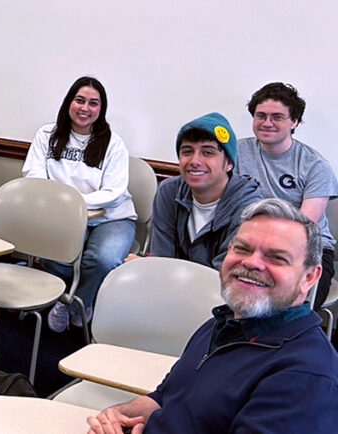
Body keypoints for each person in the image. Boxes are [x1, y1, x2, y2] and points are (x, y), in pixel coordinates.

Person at [86, 198, 338, 433]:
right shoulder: (222, 324)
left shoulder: (305, 375)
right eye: (242, 248)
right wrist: (118, 415)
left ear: (309, 277)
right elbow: (164, 399)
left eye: (276, 258)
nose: (251, 263)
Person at [22, 76, 136, 332]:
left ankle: (75, 302)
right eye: (80, 100)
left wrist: (71, 201)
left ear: (101, 109)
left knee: (103, 260)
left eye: (93, 103)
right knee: (55, 258)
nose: (85, 108)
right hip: (63, 217)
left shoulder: (112, 143)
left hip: (112, 217)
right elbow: (35, 176)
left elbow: (114, 192)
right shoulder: (46, 135)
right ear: (69, 102)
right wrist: (65, 208)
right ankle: (83, 295)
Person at [235, 82, 338, 309]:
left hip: (307, 251)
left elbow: (303, 229)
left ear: (294, 122)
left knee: (284, 308)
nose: (267, 123)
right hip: (248, 244)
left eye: (277, 117)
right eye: (260, 116)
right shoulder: (236, 152)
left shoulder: (315, 166)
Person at [146, 113, 261, 268]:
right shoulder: (169, 192)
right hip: (172, 282)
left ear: (228, 163)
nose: (194, 161)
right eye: (187, 151)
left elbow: (225, 273)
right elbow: (162, 258)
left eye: (207, 152)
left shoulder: (249, 208)